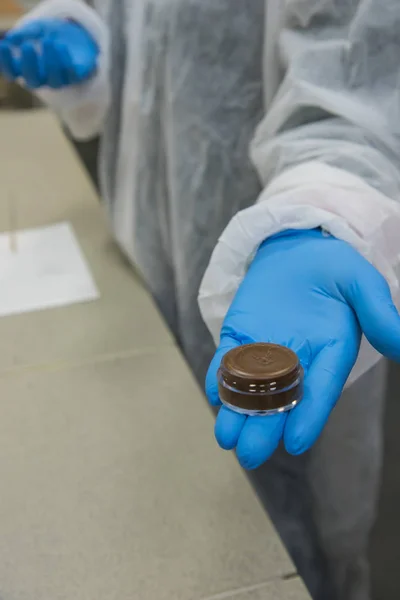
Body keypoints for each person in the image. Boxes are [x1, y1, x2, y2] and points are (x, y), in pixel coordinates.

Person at [2, 1, 400, 598]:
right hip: (148, 259)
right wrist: (90, 38)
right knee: (167, 488)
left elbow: (360, 74)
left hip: (291, 281)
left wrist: (322, 211)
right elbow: (161, 51)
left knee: (283, 535)